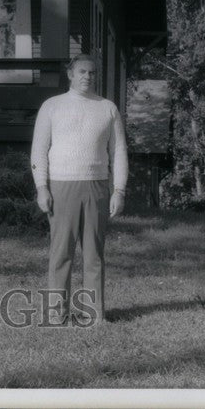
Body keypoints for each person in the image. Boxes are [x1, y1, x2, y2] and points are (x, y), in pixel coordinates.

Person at [30, 53, 128, 324]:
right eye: (82, 72)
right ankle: (56, 314)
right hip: (61, 186)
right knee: (61, 252)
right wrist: (42, 188)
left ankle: (94, 314)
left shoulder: (107, 108)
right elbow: (39, 150)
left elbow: (118, 151)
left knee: (94, 254)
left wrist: (118, 190)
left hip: (97, 187)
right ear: (70, 75)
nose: (88, 77)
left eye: (92, 72)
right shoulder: (52, 106)